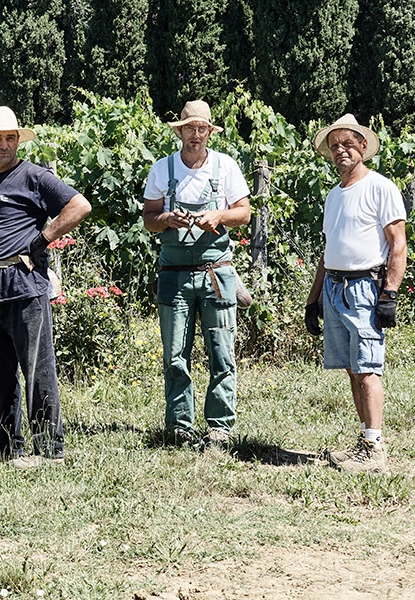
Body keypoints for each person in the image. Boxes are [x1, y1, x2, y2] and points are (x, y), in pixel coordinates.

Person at [0, 106, 91, 468]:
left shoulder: (34, 177)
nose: (4, 145)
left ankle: (49, 451)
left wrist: (44, 239)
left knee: (37, 369)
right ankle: (8, 447)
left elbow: (79, 205)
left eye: (10, 138)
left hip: (25, 283)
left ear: (17, 141)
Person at [142, 100, 251, 448]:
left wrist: (218, 217)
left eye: (202, 129)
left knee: (222, 350)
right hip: (173, 273)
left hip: (216, 272)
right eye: (190, 128)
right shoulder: (162, 169)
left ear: (209, 132)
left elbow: (244, 213)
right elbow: (148, 219)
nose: (196, 135)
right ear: (180, 131)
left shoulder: (226, 167)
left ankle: (219, 426)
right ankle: (179, 425)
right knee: (175, 353)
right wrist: (166, 220)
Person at [305, 114, 407, 473]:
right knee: (351, 368)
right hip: (335, 286)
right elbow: (328, 249)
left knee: (367, 368)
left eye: (348, 143)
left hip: (365, 287)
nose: (341, 151)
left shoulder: (381, 187)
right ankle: (365, 441)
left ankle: (375, 449)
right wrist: (313, 298)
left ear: (363, 146)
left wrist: (389, 293)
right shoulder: (334, 196)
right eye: (335, 146)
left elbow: (397, 244)